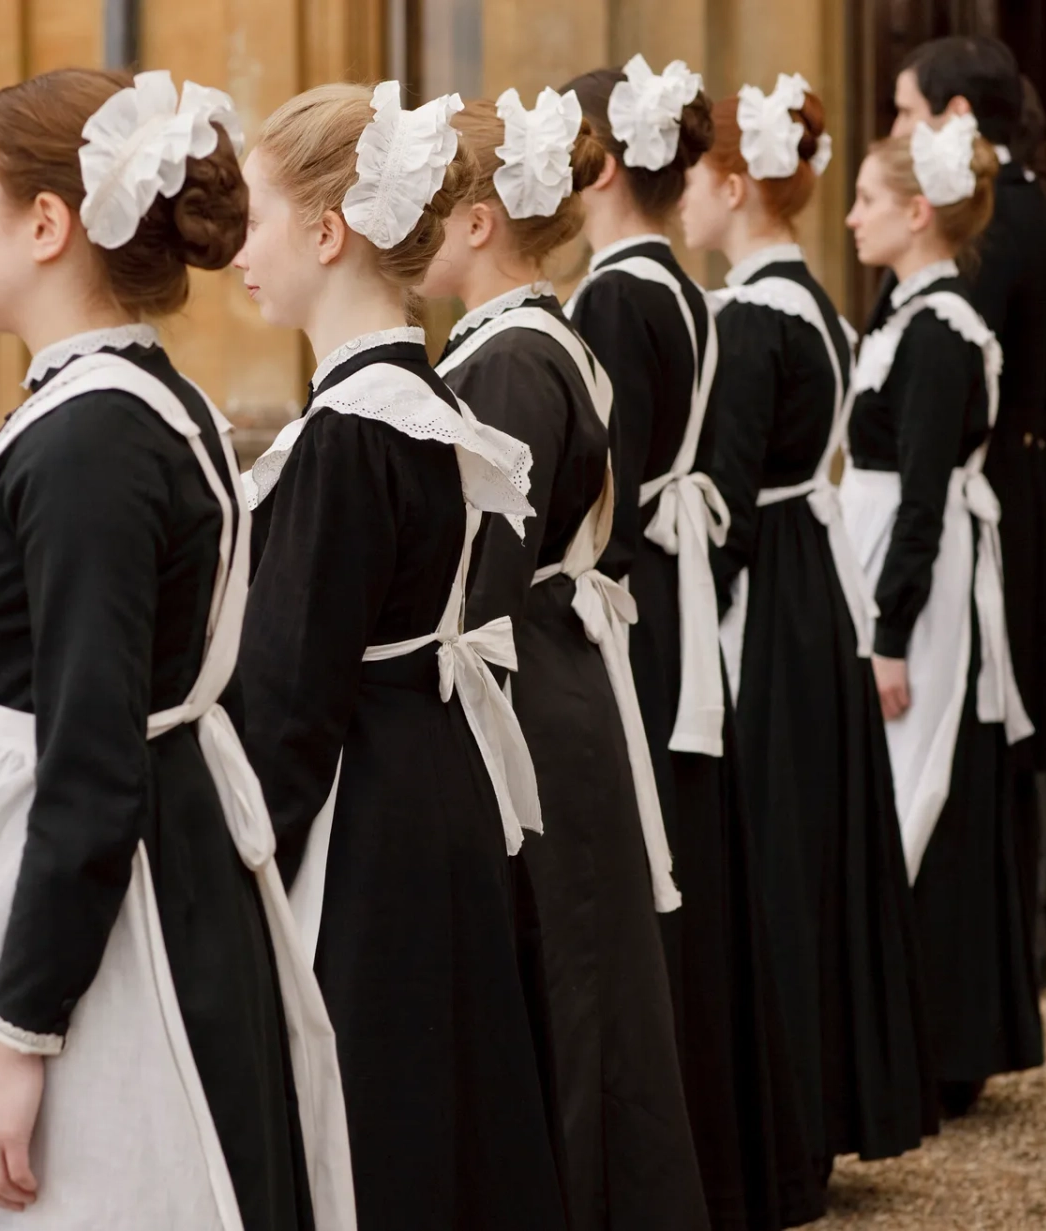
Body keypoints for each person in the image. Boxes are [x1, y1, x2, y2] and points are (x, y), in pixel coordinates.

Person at [0, 68, 351, 1231]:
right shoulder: (139, 399)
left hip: (121, 924)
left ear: (49, 224)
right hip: (156, 861)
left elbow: (94, 767)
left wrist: (19, 1040)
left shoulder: (93, 440)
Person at [234, 80, 567, 1231]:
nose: (238, 251)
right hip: (435, 783)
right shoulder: (416, 400)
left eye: (255, 218)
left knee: (377, 1106)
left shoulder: (348, 432)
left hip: (366, 808)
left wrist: (228, 866)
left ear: (327, 233)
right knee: (445, 1095)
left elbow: (287, 697)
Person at [417, 87, 708, 1231]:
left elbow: (482, 568)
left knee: (574, 975)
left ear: (482, 220)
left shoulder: (512, 362)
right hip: (556, 668)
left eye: (433, 206)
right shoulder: (530, 339)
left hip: (535, 682)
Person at [564, 56, 821, 1230]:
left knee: (656, 867)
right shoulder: (676, 282)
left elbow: (600, 483)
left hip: (640, 599)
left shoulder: (619, 295)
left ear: (605, 166)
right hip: (673, 588)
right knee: (693, 864)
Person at [679, 75, 935, 1173]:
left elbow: (728, 501)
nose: (684, 199)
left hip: (771, 603)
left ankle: (782, 1123)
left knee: (774, 849)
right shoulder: (819, 309)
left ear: (735, 186)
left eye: (695, 180)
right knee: (813, 846)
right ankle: (822, 1104)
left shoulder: (748, 319)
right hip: (814, 588)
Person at [893, 36, 1046, 947]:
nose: (898, 129)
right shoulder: (1023, 211)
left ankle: (1019, 892)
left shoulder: (997, 228)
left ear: (956, 119)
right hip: (1042, 477)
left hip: (1017, 488)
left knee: (1014, 684)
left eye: (909, 111)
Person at [840, 114, 1044, 1120]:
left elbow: (924, 496)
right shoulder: (903, 312)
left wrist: (886, 631)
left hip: (917, 587)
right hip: (891, 560)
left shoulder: (940, 332)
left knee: (924, 787)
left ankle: (942, 1036)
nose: (850, 217)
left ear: (917, 214)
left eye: (868, 201)